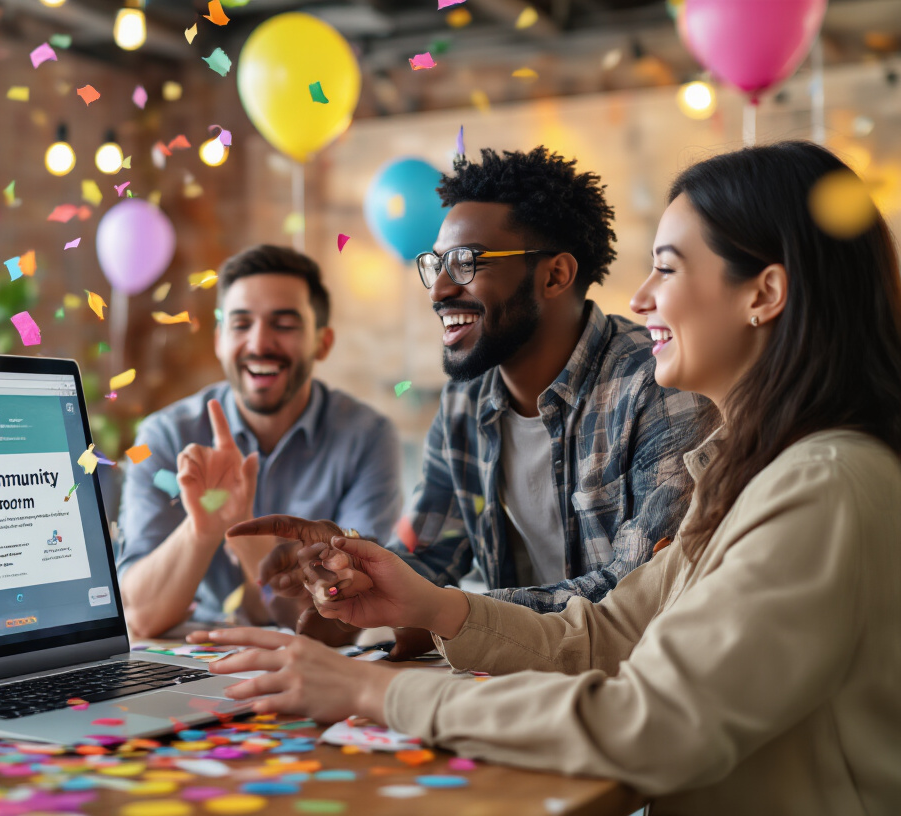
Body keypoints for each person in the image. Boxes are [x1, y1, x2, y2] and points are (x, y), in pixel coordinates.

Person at [193, 142, 901, 813]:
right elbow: (608, 632)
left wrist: (372, 693)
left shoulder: (821, 486)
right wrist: (411, 598)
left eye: (667, 268)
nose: (642, 297)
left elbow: (654, 721)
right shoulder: (751, 475)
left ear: (765, 293)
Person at [261, 146, 709, 657]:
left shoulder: (660, 387)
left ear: (555, 276)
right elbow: (427, 558)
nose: (439, 289)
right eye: (436, 264)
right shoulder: (464, 402)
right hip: (513, 680)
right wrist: (352, 576)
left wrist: (439, 613)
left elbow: (638, 597)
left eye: (466, 262)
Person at [116, 244, 401, 638]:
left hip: (317, 656)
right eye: (241, 324)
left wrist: (241, 530)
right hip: (194, 654)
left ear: (322, 342)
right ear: (219, 340)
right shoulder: (164, 435)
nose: (259, 343)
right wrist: (202, 530)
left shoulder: (368, 438)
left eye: (284, 324)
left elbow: (349, 611)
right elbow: (140, 616)